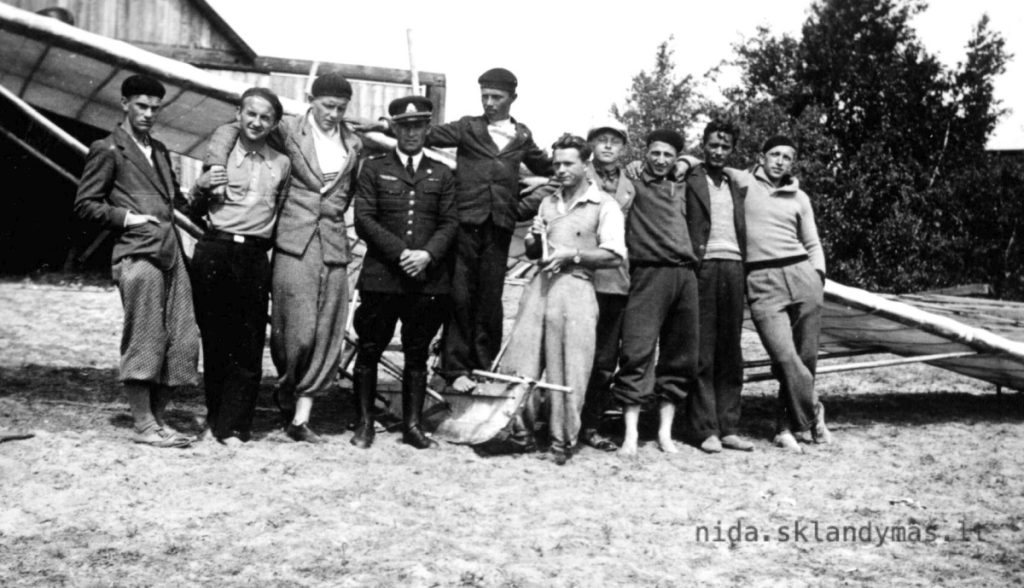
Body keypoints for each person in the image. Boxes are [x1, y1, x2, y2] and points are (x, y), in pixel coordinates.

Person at [204, 72, 363, 443]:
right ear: (311, 99)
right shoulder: (287, 130)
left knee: (327, 329)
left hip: (333, 244)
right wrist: (215, 164)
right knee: (296, 331)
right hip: (294, 241)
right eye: (327, 106)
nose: (333, 115)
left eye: (340, 109)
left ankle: (300, 418)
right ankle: (287, 388)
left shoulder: (353, 143)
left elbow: (348, 190)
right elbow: (234, 129)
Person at [74, 74, 199, 448]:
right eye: (141, 106)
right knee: (145, 336)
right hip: (136, 251)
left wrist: (203, 191)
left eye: (154, 109)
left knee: (184, 338)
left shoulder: (159, 150)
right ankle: (144, 425)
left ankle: (159, 421)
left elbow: (176, 201)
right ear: (125, 104)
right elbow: (85, 204)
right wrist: (128, 218)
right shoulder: (108, 149)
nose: (148, 114)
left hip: (171, 250)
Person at [425, 68, 554, 393]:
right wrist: (388, 126)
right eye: (485, 96)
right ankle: (455, 369)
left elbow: (550, 168)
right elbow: (427, 135)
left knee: (490, 299)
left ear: (512, 98)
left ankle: (482, 367)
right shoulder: (469, 126)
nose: (489, 103)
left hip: (499, 228)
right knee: (460, 296)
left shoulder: (522, 136)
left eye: (496, 97)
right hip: (465, 224)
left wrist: (544, 183)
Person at [501, 134, 625, 465]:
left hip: (577, 288)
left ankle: (562, 440)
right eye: (556, 163)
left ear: (586, 165)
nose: (561, 169)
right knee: (522, 359)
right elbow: (533, 252)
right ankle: (521, 435)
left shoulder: (604, 205)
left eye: (568, 163)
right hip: (540, 285)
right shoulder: (547, 202)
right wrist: (536, 238)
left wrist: (574, 255)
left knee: (571, 367)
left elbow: (614, 255)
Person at [350, 95, 458, 450]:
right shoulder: (373, 167)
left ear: (428, 129)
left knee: (417, 352)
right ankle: (364, 423)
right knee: (369, 348)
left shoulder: (442, 173)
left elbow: (450, 221)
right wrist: (401, 254)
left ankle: (412, 426)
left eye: (419, 126)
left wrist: (427, 255)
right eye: (405, 126)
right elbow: (364, 219)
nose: (412, 133)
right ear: (394, 128)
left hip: (427, 280)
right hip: (383, 277)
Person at [188, 87, 290, 445]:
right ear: (239, 114)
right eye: (251, 114)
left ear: (274, 123)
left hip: (254, 257)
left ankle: (236, 427)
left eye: (265, 117)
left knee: (248, 344)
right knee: (216, 338)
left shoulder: (282, 163)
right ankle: (215, 419)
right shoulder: (220, 154)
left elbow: (285, 211)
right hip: (216, 250)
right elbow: (192, 211)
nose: (256, 122)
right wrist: (199, 188)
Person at [732, 135, 830, 451]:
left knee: (806, 357)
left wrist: (818, 276)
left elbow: (813, 242)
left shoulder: (799, 197)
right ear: (761, 157)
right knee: (784, 357)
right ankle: (815, 408)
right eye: (774, 154)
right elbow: (699, 163)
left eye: (787, 157)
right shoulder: (742, 182)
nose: (780, 161)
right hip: (761, 279)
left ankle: (784, 427)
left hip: (803, 276)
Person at [611, 129, 699, 456]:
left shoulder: (685, 183)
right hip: (647, 273)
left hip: (685, 275)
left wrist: (688, 160)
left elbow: (702, 163)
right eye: (656, 153)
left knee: (680, 354)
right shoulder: (631, 181)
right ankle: (631, 435)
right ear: (645, 153)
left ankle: (665, 433)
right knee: (637, 350)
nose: (661, 160)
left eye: (669, 155)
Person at [683, 121, 754, 453]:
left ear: (732, 151)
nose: (718, 152)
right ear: (704, 145)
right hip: (704, 267)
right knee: (703, 349)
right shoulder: (689, 178)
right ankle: (706, 428)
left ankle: (729, 426)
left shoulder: (735, 183)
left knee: (731, 350)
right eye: (713, 145)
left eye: (725, 147)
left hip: (734, 267)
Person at [579, 120, 636, 452]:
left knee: (603, 360)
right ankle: (561, 421)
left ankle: (591, 424)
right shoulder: (577, 175)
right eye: (601, 140)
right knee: (573, 352)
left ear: (623, 148)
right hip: (580, 274)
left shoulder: (632, 184)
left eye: (615, 141)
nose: (608, 146)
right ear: (591, 146)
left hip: (615, 279)